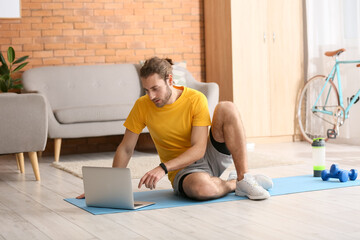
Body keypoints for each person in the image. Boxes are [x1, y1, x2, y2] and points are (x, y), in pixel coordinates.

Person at [78, 57, 272, 201]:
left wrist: (162, 168)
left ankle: (244, 178)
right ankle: (233, 184)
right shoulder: (142, 105)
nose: (151, 96)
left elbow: (199, 148)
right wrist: (108, 187)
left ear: (170, 80)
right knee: (203, 190)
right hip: (183, 170)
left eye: (155, 88)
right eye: (146, 90)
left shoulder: (195, 99)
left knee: (227, 107)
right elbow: (126, 148)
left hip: (208, 155)